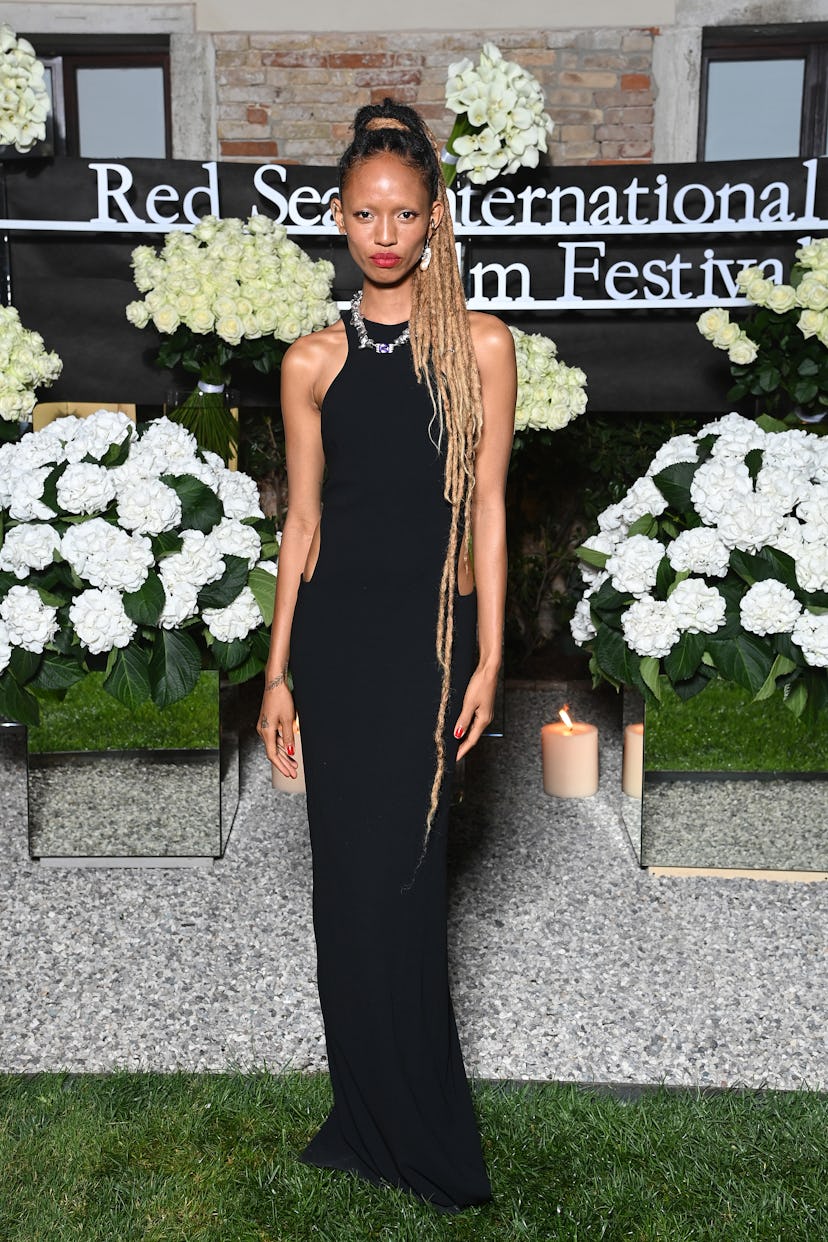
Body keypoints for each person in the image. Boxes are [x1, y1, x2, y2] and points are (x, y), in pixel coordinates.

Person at [257, 97, 516, 1213]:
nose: (383, 234)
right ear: (338, 216)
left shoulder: (482, 349)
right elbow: (301, 525)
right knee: (345, 891)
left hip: (429, 645)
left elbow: (492, 510)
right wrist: (276, 673)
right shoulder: (310, 361)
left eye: (404, 214)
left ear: (434, 219)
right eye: (364, 213)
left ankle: (421, 1125)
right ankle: (362, 1116)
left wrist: (492, 657)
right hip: (338, 647)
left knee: (407, 885)